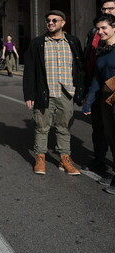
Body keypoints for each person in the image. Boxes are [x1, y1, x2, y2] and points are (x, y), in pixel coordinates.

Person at [23, 10, 84, 176]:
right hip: (45, 92)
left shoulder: (73, 42)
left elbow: (80, 68)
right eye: (48, 21)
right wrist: (29, 94)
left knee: (64, 128)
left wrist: (80, 91)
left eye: (54, 20)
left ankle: (65, 159)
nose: (50, 23)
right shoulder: (37, 43)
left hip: (66, 92)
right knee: (41, 127)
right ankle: (40, 158)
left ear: (63, 23)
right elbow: (29, 70)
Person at [81, 0, 115, 173]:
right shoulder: (95, 34)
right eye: (104, 9)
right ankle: (99, 159)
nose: (107, 11)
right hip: (99, 87)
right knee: (100, 128)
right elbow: (90, 60)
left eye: (110, 9)